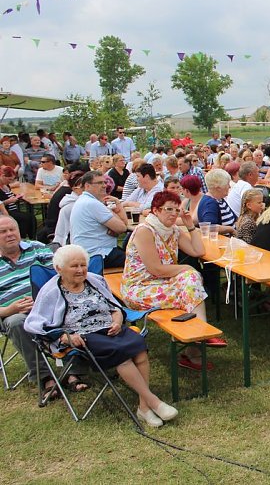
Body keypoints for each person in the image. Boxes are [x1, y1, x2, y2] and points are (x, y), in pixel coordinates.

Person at [25, 244, 179, 427]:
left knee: (139, 347)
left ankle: (143, 407)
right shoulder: (51, 291)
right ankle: (153, 402)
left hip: (110, 328)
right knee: (120, 354)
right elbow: (34, 323)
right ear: (59, 268)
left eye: (83, 265)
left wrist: (116, 320)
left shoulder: (95, 280)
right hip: (83, 336)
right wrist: (65, 337)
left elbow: (115, 307)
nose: (81, 270)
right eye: (74, 266)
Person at [122, 191, 225, 369]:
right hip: (139, 288)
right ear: (156, 210)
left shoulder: (173, 230)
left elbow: (198, 251)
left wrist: (190, 226)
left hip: (162, 283)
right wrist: (188, 269)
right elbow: (156, 269)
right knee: (190, 283)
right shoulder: (145, 231)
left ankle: (197, 339)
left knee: (190, 284)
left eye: (176, 210)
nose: (173, 214)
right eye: (168, 209)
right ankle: (198, 340)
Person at [0, 216, 90, 397]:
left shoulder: (38, 249)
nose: (10, 234)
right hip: (13, 313)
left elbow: (63, 277)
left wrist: (45, 301)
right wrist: (10, 309)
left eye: (12, 229)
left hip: (50, 304)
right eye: (3, 231)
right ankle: (45, 377)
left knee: (71, 310)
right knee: (18, 322)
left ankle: (72, 373)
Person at [70, 171, 130, 268]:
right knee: (138, 261)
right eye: (99, 183)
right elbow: (122, 228)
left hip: (88, 252)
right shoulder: (92, 203)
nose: (104, 186)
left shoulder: (83, 200)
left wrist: (117, 204)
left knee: (130, 252)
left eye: (105, 182)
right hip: (98, 255)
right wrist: (118, 204)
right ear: (87, 186)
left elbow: (121, 227)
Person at [197, 168, 236, 235]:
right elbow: (209, 227)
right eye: (227, 184)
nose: (229, 187)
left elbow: (234, 218)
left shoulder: (220, 199)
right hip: (220, 243)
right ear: (218, 188)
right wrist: (230, 229)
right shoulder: (210, 203)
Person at [0, 166, 28, 237]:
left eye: (12, 180)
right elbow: (1, 203)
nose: (10, 182)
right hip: (7, 210)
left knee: (28, 217)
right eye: (9, 179)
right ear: (3, 176)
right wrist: (9, 201)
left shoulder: (6, 185)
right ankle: (23, 236)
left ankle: (28, 235)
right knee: (26, 218)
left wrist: (16, 197)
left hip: (12, 209)